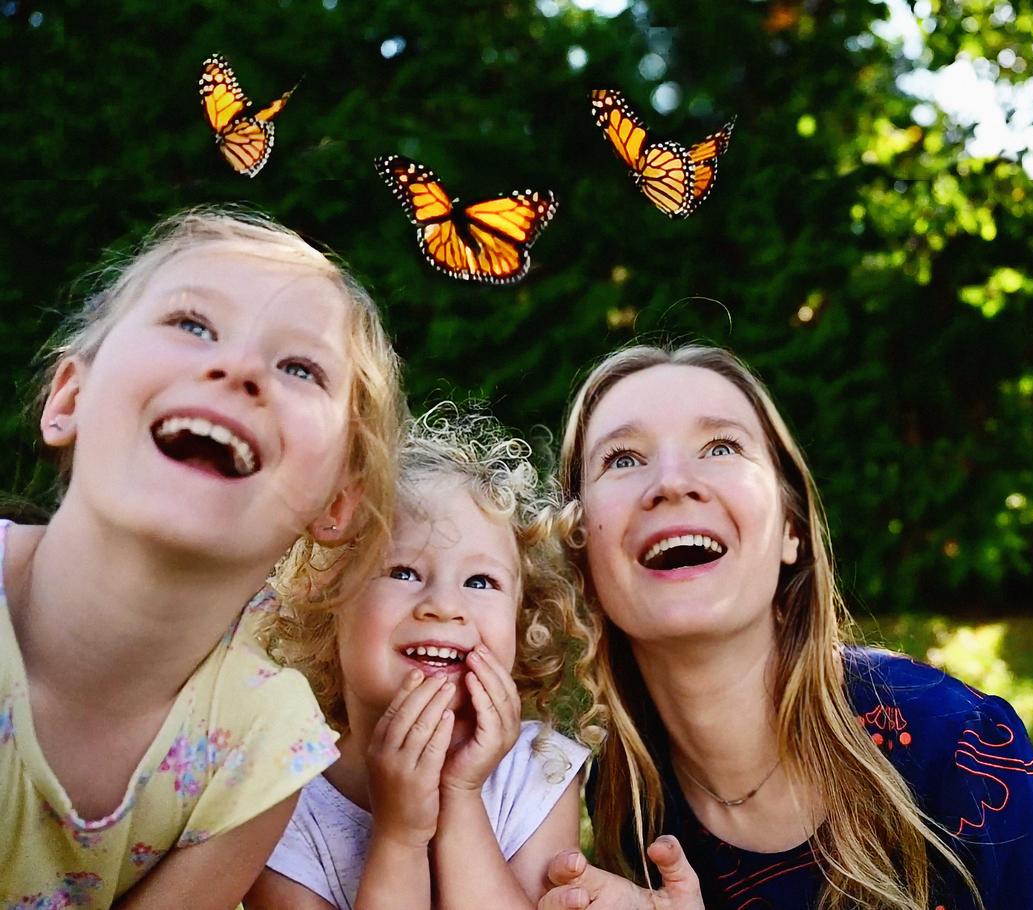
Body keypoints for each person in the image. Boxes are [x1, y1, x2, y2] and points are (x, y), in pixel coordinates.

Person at [539, 344, 1033, 910]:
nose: (673, 481)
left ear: (792, 530)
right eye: (623, 459)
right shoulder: (626, 793)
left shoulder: (955, 746)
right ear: (580, 553)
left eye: (721, 447)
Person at [0, 207, 403, 908]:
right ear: (70, 396)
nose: (240, 367)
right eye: (192, 325)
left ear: (338, 501)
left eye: (300, 367)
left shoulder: (262, 747)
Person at [247, 409, 601, 910]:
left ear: (523, 623)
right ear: (327, 604)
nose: (444, 606)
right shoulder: (281, 806)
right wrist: (400, 837)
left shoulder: (539, 770)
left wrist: (461, 795)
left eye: (481, 582)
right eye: (404, 572)